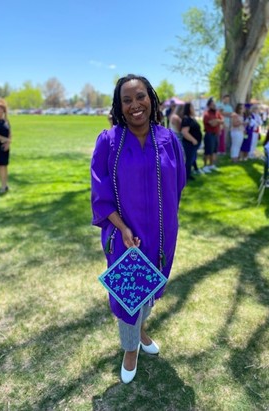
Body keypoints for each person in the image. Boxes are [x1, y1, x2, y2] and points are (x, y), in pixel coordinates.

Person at [91, 74, 186, 384]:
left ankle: (141, 331)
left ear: (152, 99)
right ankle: (131, 348)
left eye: (140, 96)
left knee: (149, 291)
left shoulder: (169, 140)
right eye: (127, 100)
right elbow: (100, 192)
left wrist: (167, 221)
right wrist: (122, 228)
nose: (135, 105)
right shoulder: (109, 141)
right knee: (127, 296)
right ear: (120, 107)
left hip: (161, 233)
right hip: (124, 237)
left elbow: (179, 183)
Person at [180, 102, 203, 180]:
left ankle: (188, 174)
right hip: (189, 143)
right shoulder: (186, 118)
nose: (194, 108)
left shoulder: (191, 118)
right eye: (192, 107)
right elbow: (184, 132)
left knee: (191, 159)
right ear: (189, 109)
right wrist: (193, 140)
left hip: (194, 143)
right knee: (189, 160)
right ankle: (186, 177)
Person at [202, 98, 224, 172]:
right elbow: (212, 124)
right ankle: (205, 166)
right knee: (208, 151)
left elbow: (222, 121)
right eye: (212, 104)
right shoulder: (206, 114)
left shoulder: (217, 113)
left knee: (214, 151)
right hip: (209, 134)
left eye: (214, 104)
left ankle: (211, 165)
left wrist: (216, 121)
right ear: (209, 105)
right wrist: (217, 121)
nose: (214, 106)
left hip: (216, 134)